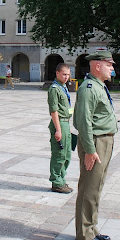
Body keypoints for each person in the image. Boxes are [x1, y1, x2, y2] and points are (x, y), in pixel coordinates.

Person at [73, 50, 117, 240]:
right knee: (89, 188)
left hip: (104, 141)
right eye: (109, 65)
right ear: (97, 66)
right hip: (95, 142)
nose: (112, 68)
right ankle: (84, 233)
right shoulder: (89, 88)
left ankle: (91, 227)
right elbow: (83, 122)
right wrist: (90, 151)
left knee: (96, 186)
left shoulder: (99, 86)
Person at [47, 63, 73, 193]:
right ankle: (56, 182)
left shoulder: (63, 87)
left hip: (65, 122)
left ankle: (61, 179)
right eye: (64, 74)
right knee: (59, 154)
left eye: (68, 74)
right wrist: (58, 129)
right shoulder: (54, 89)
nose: (66, 77)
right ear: (57, 73)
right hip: (59, 123)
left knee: (67, 154)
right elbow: (54, 111)